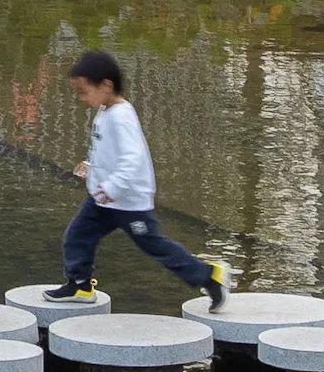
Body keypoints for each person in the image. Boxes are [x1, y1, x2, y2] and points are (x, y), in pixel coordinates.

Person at [60, 50, 232, 307]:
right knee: (77, 235)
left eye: (84, 91)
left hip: (127, 202)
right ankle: (80, 285)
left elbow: (133, 158)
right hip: (103, 199)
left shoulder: (122, 117)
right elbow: (106, 149)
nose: (82, 98)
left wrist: (113, 186)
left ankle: (209, 275)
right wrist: (91, 165)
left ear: (106, 85)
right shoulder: (105, 111)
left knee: (154, 245)